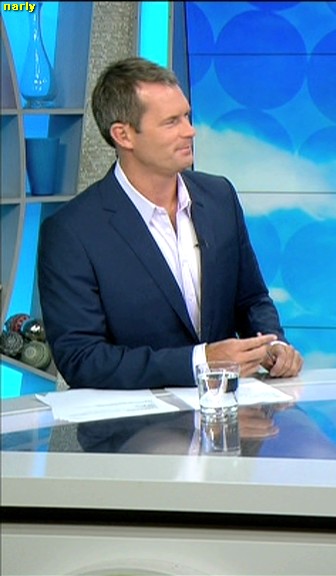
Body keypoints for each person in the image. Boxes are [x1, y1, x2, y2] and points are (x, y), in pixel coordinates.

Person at [37, 57, 302, 390]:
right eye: (171, 122)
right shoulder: (72, 232)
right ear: (123, 135)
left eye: (186, 116)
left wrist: (272, 344)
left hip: (226, 413)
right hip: (133, 420)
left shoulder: (219, 197)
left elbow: (251, 300)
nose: (190, 130)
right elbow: (82, 359)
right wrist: (199, 362)